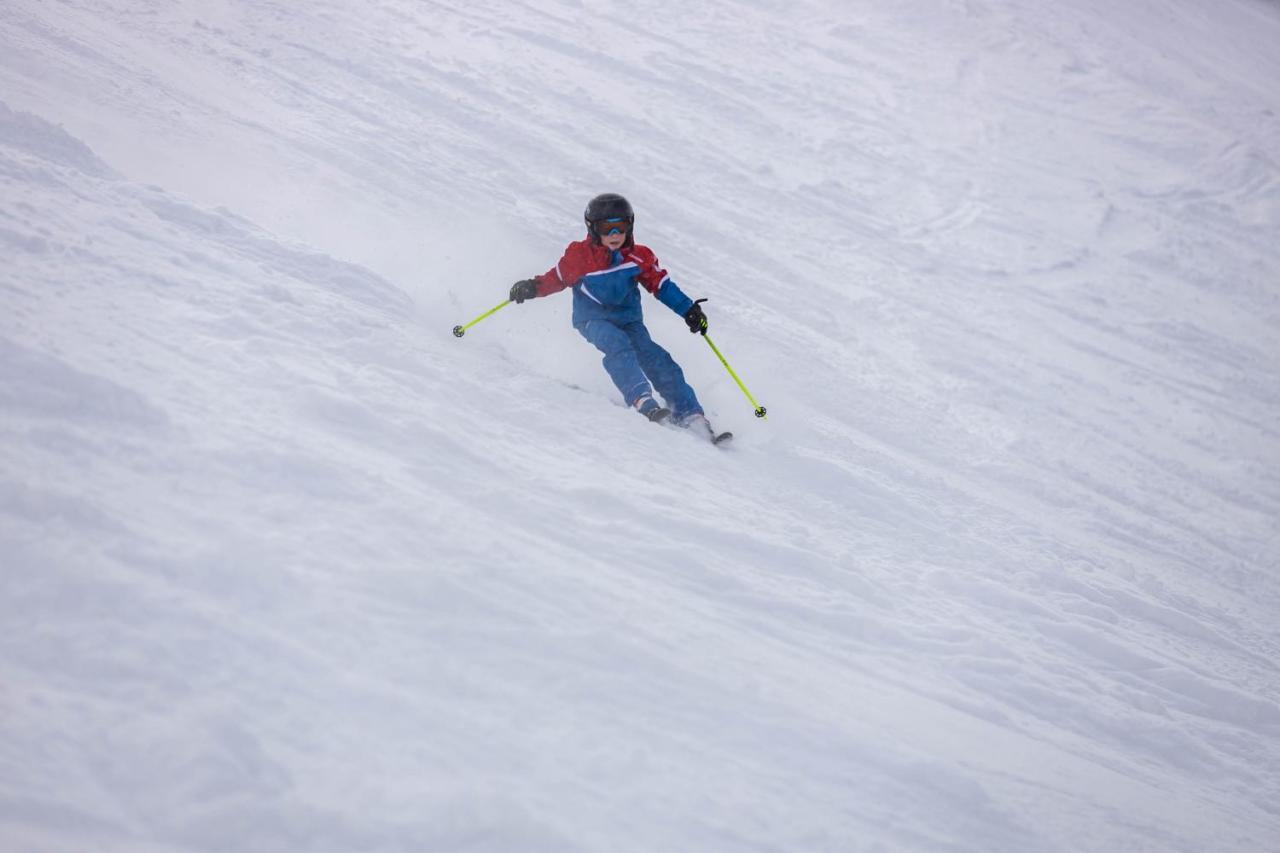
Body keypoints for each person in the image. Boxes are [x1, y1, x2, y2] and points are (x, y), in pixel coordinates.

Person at [508, 193, 713, 430]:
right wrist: (532, 288)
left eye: (621, 227)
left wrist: (688, 309)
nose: (615, 235)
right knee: (617, 345)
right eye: (607, 228)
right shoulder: (579, 256)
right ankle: (642, 398)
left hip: (629, 320)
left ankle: (688, 412)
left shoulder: (638, 256)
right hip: (592, 319)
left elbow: (661, 285)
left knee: (655, 357)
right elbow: (556, 279)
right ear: (593, 229)